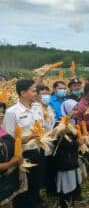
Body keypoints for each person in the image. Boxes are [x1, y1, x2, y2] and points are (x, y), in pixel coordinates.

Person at [3, 79, 46, 208]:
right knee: (25, 183)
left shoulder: (38, 107)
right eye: (33, 90)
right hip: (25, 153)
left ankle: (36, 200)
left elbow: (42, 126)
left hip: (40, 148)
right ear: (23, 93)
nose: (36, 93)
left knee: (37, 179)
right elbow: (8, 139)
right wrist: (25, 139)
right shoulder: (12, 112)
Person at [54, 101, 85, 208]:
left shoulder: (74, 121)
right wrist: (76, 143)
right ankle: (64, 202)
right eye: (74, 109)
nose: (77, 111)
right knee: (67, 178)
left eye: (77, 109)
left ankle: (76, 195)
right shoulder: (60, 124)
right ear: (67, 110)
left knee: (75, 174)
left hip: (73, 155)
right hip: (64, 157)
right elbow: (58, 143)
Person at [0, 102, 27, 208]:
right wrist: (12, 163)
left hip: (6, 182)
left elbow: (14, 142)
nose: (2, 115)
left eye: (2, 112)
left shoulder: (2, 131)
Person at [36, 85, 56, 196]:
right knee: (42, 167)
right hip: (41, 144)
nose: (46, 96)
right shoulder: (36, 109)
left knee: (50, 167)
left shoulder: (50, 108)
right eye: (43, 94)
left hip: (50, 141)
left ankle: (50, 189)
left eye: (47, 94)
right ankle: (42, 189)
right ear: (37, 96)